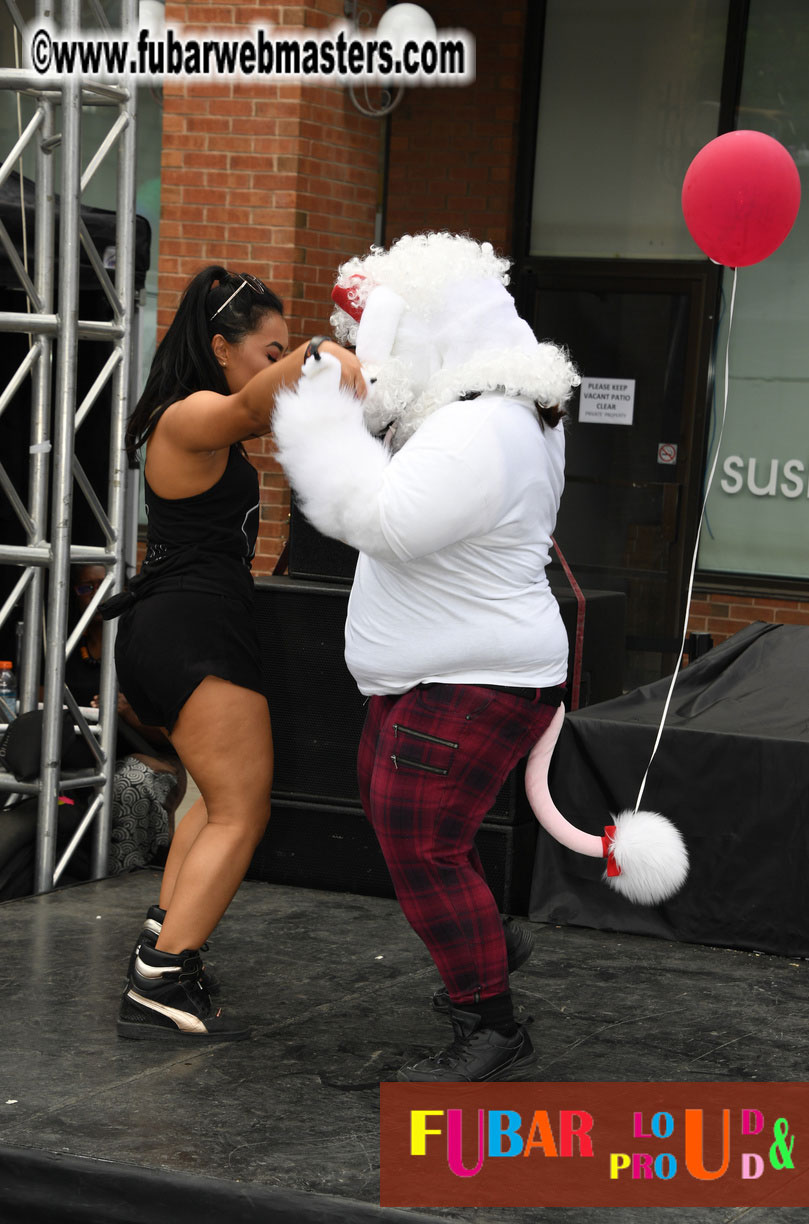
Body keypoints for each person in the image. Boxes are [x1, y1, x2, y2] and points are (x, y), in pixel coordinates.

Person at [274, 232, 581, 1082]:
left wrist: (320, 419)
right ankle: (486, 939)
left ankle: (491, 1027)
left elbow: (385, 521)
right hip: (442, 668)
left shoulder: (484, 428)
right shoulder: (477, 416)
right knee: (402, 819)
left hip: (477, 672)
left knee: (421, 839)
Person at [106, 265, 365, 1041]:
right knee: (242, 811)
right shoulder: (188, 416)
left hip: (182, 629)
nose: (278, 360)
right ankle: (160, 980)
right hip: (191, 632)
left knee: (206, 806)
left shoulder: (184, 417)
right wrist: (321, 350)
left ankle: (164, 942)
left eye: (287, 347)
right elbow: (259, 404)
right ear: (221, 347)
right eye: (269, 347)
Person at [67, 563, 186, 873]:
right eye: (85, 588)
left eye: (105, 584)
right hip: (81, 759)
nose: (96, 594)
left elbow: (179, 733)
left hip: (148, 758)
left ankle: (124, 882)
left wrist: (130, 714)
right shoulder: (63, 647)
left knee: (129, 783)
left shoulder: (147, 647)